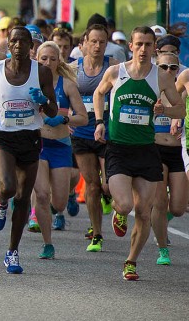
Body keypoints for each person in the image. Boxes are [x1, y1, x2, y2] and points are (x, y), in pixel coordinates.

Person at [92, 27, 184, 281]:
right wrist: (99, 121)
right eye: (139, 44)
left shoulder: (162, 78)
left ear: (155, 48)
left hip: (146, 150)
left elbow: (180, 110)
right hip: (119, 148)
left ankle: (131, 261)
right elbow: (98, 93)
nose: (143, 49)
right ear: (130, 46)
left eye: (148, 44)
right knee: (125, 204)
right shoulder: (115, 72)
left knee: (144, 211)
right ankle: (119, 213)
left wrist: (163, 109)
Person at [0, 26, 58, 275]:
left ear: (31, 46)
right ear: (8, 45)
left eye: (24, 41)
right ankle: (0, 203)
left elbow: (54, 110)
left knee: (23, 197)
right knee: (8, 186)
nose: (19, 46)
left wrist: (43, 101)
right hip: (3, 136)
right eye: (14, 41)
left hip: (31, 138)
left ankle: (12, 252)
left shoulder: (41, 72)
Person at [30, 41, 87, 259]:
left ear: (59, 61)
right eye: (44, 58)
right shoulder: (30, 83)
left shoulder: (67, 85)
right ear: (37, 59)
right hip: (39, 145)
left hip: (61, 145)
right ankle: (47, 243)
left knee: (58, 202)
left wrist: (63, 118)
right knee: (42, 195)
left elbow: (82, 117)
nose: (48, 62)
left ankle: (59, 206)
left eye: (53, 59)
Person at [71, 24, 112, 253]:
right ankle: (97, 234)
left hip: (106, 132)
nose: (97, 46)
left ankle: (111, 200)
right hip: (81, 133)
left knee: (108, 186)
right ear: (84, 43)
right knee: (93, 186)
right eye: (93, 41)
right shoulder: (72, 68)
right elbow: (61, 92)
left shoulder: (113, 67)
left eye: (101, 42)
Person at [151, 50, 187, 266]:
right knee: (159, 202)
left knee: (178, 208)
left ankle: (162, 221)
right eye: (163, 67)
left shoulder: (179, 91)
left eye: (173, 67)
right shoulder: (151, 89)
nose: (168, 71)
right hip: (155, 149)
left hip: (177, 151)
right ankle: (163, 248)